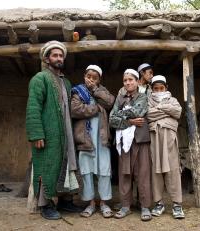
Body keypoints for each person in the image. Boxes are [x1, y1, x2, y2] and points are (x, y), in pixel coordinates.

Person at [26, 40, 80, 220]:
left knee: (67, 163)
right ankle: (45, 204)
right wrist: (36, 134)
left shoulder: (66, 82)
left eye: (61, 55)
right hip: (48, 132)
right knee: (47, 165)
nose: (58, 58)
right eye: (55, 55)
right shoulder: (40, 79)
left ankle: (65, 200)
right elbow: (33, 107)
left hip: (66, 131)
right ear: (47, 58)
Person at [71, 65, 115, 218]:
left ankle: (104, 203)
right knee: (86, 171)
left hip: (101, 138)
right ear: (84, 75)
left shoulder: (102, 91)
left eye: (94, 78)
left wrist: (96, 90)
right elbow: (75, 109)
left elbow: (110, 102)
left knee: (104, 170)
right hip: (85, 138)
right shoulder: (78, 91)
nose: (91, 79)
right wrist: (95, 108)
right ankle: (90, 203)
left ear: (99, 80)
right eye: (89, 76)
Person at [109, 69, 153, 221]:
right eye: (125, 80)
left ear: (137, 81)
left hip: (140, 140)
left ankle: (145, 206)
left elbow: (138, 111)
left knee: (143, 173)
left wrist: (121, 114)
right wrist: (130, 122)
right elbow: (111, 119)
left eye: (131, 80)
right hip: (123, 143)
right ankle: (126, 206)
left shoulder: (143, 97)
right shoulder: (119, 98)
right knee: (124, 174)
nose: (128, 82)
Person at [147, 75, 185, 219]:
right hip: (154, 138)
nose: (158, 91)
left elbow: (178, 112)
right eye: (155, 88)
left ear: (166, 88)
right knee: (155, 171)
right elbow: (149, 115)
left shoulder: (173, 100)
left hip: (169, 139)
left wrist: (160, 108)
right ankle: (159, 203)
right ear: (152, 89)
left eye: (161, 88)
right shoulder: (149, 101)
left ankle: (177, 205)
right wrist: (167, 112)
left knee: (173, 169)